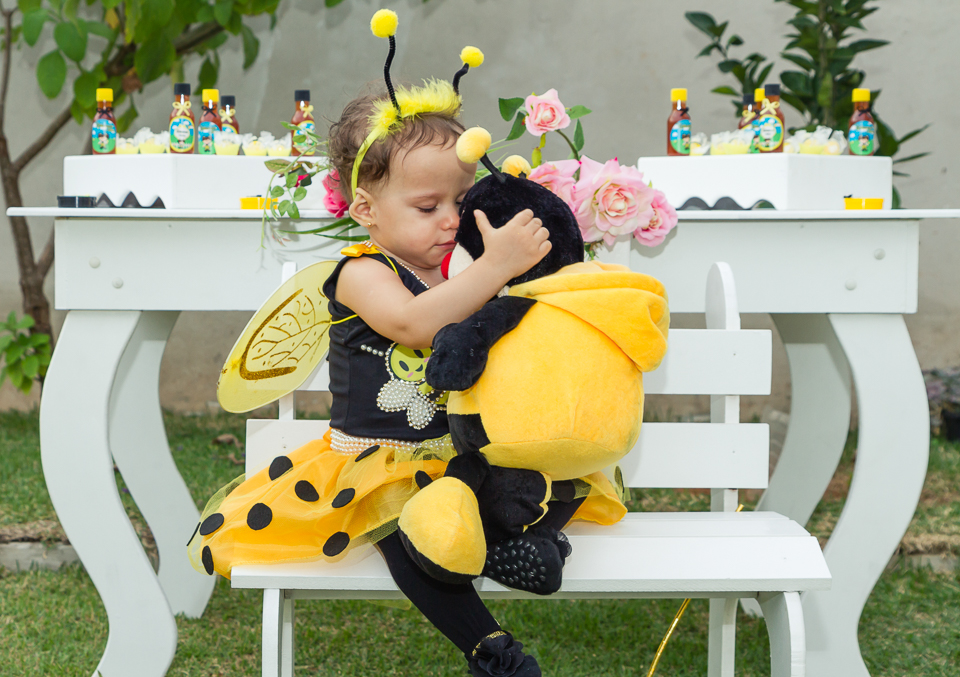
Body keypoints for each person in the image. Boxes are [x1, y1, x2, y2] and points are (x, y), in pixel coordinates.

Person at [188, 86, 553, 677]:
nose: (452, 219)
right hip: (379, 462)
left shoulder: (464, 271)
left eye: (462, 199)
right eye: (428, 206)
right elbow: (412, 324)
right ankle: (492, 650)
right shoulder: (361, 272)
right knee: (407, 531)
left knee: (530, 481)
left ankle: (521, 544)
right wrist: (495, 267)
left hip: (458, 453)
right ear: (366, 210)